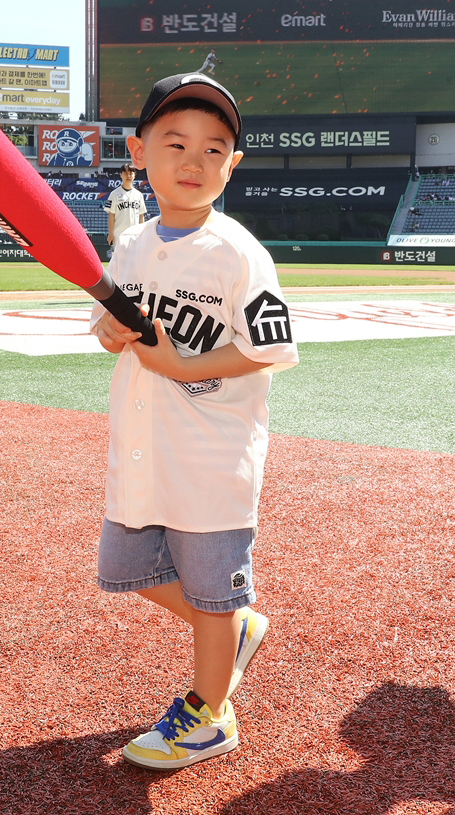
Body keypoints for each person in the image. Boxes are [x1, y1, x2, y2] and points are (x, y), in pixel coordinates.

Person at [90, 73, 299, 770]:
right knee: (125, 567)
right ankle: (235, 630)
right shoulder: (131, 245)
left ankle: (210, 713)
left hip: (212, 454)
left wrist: (185, 366)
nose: (193, 161)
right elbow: (105, 323)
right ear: (138, 149)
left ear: (231, 166)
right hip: (144, 443)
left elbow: (273, 347)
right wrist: (110, 334)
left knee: (211, 593)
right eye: (175, 142)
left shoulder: (239, 252)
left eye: (214, 149)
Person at [104, 163, 147, 248]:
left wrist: (142, 233)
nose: (128, 176)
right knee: (119, 260)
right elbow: (111, 215)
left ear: (134, 175)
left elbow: (141, 216)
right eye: (125, 173)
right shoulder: (114, 194)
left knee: (134, 259)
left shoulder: (138, 195)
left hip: (135, 235)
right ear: (121, 175)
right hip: (119, 234)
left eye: (131, 173)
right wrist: (110, 234)